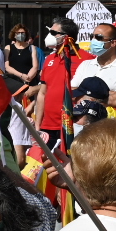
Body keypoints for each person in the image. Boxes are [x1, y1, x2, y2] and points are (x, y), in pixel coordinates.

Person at [32, 18, 81, 147]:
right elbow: (42, 93)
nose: (49, 36)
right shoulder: (49, 59)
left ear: (67, 37)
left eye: (54, 33)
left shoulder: (85, 60)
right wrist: (38, 124)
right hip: (47, 126)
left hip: (72, 126)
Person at [73, 23, 116, 111]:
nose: (93, 40)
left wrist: (83, 93)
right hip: (81, 118)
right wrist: (105, 95)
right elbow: (71, 92)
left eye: (98, 37)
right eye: (92, 36)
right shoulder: (85, 64)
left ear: (113, 43)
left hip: (109, 119)